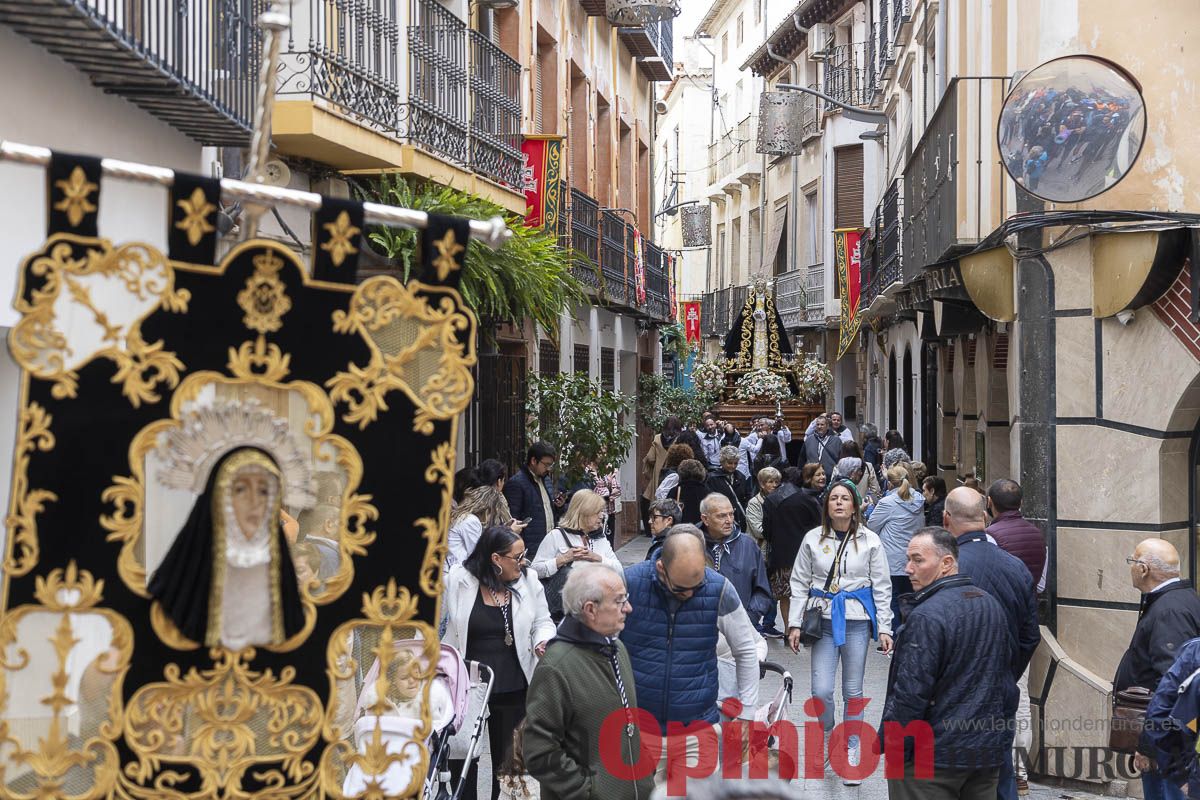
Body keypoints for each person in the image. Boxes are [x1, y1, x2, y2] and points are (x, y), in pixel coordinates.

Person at [881, 528, 1018, 800]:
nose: (908, 568)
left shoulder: (926, 616)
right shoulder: (989, 604)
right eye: (908, 559)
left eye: (918, 560)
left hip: (934, 759)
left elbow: (910, 693)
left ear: (946, 564)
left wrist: (896, 747)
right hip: (981, 754)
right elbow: (1005, 681)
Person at [621, 533, 759, 793]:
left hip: (698, 730)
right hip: (639, 731)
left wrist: (748, 714)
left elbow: (746, 651)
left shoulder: (719, 589)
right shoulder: (629, 583)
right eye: (682, 588)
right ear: (661, 567)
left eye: (698, 585)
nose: (691, 594)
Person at [787, 480, 893, 785]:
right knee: (821, 690)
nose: (838, 503)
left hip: (857, 619)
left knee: (853, 690)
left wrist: (884, 627)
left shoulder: (871, 540)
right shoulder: (812, 539)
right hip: (822, 619)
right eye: (833, 498)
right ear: (826, 505)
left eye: (845, 498)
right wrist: (794, 623)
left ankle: (851, 748)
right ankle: (828, 735)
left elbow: (882, 586)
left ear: (855, 505)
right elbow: (799, 582)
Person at [523, 563, 655, 800]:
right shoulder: (556, 667)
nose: (629, 608)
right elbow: (539, 751)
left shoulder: (617, 648)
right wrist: (588, 791)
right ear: (590, 609)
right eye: (619, 601)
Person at [941, 487, 1040, 800]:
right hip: (1000, 690)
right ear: (984, 516)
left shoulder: (945, 568)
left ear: (946, 519)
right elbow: (1030, 636)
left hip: (953, 695)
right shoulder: (1016, 567)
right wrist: (1007, 672)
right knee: (1001, 774)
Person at [443, 526, 555, 800]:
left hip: (514, 684)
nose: (523, 562)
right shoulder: (459, 580)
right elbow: (442, 626)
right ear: (495, 559)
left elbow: (543, 621)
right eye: (517, 557)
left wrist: (543, 640)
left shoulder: (528, 580)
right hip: (467, 686)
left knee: (509, 764)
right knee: (463, 758)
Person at [1114, 539, 1200, 800]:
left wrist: (1150, 746)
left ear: (1143, 569)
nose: (1130, 567)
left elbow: (1173, 688)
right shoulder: (1176, 599)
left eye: (1132, 561)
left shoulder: (1169, 610)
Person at [532, 491, 622, 622]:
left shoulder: (599, 538)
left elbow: (619, 569)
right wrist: (562, 560)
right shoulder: (556, 536)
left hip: (595, 613)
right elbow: (534, 570)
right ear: (583, 513)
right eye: (597, 512)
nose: (602, 516)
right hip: (563, 615)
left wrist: (598, 558)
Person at [763, 464, 824, 643]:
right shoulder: (807, 499)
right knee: (805, 593)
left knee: (785, 596)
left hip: (781, 555)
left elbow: (767, 531)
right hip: (806, 555)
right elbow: (818, 527)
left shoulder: (771, 500)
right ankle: (805, 630)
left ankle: (790, 631)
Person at [699, 493, 774, 636]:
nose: (729, 520)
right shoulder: (692, 544)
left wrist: (749, 617)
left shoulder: (748, 546)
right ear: (705, 519)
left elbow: (762, 590)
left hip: (740, 629)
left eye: (731, 514)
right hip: (699, 629)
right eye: (721, 516)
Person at [867, 463, 926, 625]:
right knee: (910, 598)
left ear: (890, 483)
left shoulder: (888, 503)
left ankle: (892, 638)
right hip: (913, 557)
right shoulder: (920, 500)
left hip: (892, 559)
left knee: (891, 598)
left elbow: (872, 526)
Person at [504, 442, 565, 558]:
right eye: (546, 464)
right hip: (530, 550)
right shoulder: (517, 483)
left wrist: (559, 506)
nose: (548, 469)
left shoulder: (546, 480)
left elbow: (548, 511)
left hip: (550, 546)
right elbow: (512, 520)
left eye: (550, 465)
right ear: (533, 461)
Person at [985, 479, 1047, 588]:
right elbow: (1040, 586)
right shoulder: (1038, 534)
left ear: (989, 502)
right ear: (1021, 502)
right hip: (1030, 602)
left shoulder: (989, 536)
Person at [448, 486, 527, 565]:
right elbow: (479, 554)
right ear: (488, 509)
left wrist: (504, 529)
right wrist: (509, 532)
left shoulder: (465, 517)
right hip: (457, 569)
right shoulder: (471, 520)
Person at [641, 416, 682, 534]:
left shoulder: (657, 438)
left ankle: (655, 527)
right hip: (674, 472)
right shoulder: (679, 439)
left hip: (658, 473)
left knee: (656, 500)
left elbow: (650, 457)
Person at [705, 446, 752, 528]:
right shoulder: (712, 478)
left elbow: (748, 496)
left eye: (736, 463)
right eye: (730, 463)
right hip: (721, 519)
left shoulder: (741, 477)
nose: (733, 466)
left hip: (740, 519)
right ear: (722, 462)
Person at [663, 459, 709, 524]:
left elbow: (667, 512)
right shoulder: (707, 492)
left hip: (679, 529)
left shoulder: (675, 491)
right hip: (701, 530)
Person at [587, 461, 622, 548]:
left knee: (609, 543)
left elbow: (617, 489)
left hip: (609, 512)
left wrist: (607, 493)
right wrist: (607, 492)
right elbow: (593, 492)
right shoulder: (588, 471)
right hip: (595, 514)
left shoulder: (607, 468)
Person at [744, 466, 781, 544]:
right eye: (770, 482)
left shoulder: (781, 500)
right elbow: (758, 531)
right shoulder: (754, 502)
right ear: (762, 484)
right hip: (760, 547)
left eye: (776, 482)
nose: (774, 485)